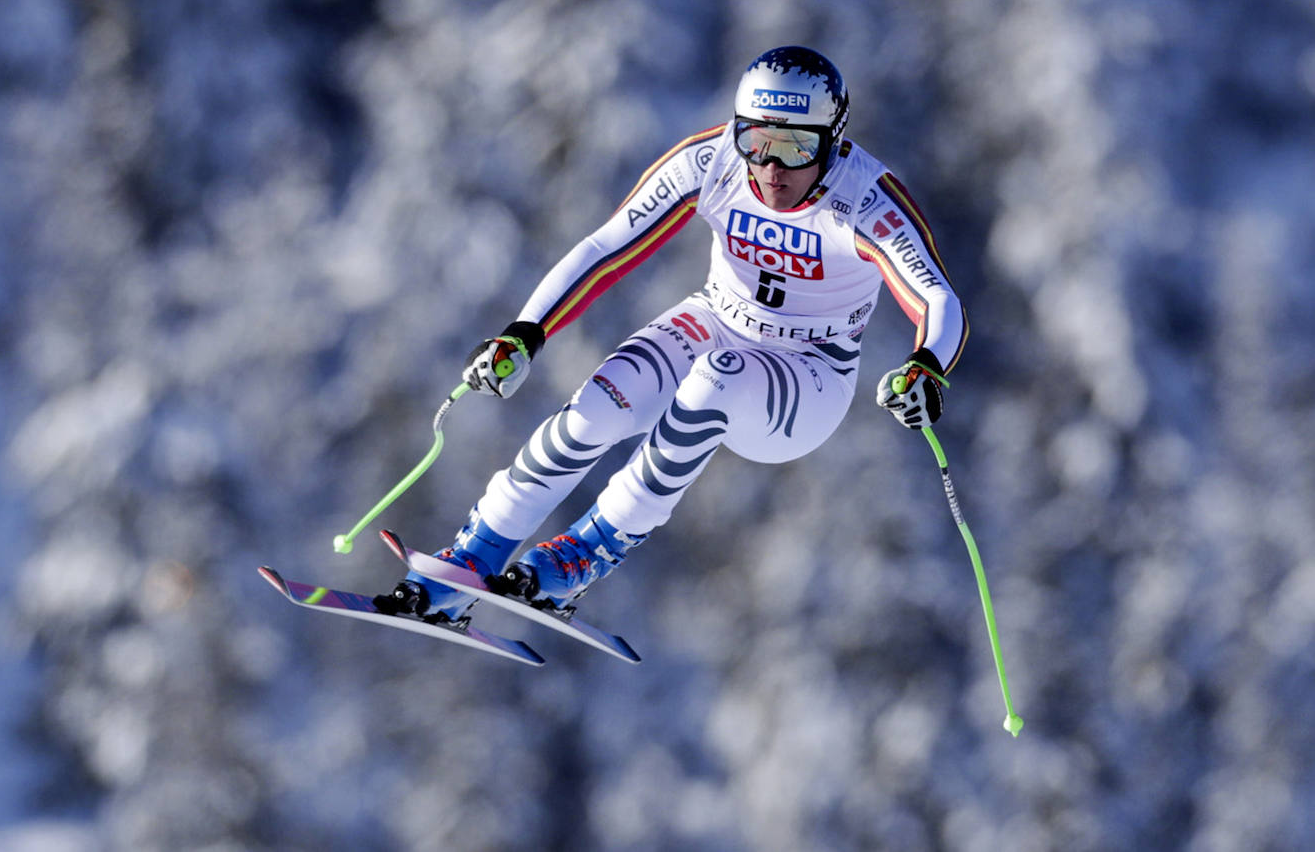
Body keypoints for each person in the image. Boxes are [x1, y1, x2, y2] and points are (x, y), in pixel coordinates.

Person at [379, 45, 968, 622]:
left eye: (795, 148)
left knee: (717, 377)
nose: (770, 169)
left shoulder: (863, 197)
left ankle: (591, 549)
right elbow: (608, 247)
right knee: (604, 400)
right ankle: (471, 558)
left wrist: (927, 367)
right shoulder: (711, 161)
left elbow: (937, 297)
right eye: (757, 142)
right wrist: (525, 334)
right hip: (717, 317)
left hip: (808, 372)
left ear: (833, 139)